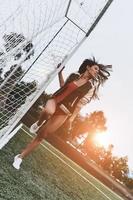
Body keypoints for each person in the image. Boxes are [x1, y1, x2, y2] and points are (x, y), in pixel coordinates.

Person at [13, 58, 112, 169]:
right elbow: (62, 86)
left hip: (65, 112)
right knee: (48, 111)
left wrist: (71, 118)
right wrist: (60, 72)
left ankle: (20, 157)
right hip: (55, 100)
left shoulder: (90, 88)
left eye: (98, 71)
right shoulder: (74, 75)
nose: (96, 72)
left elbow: (80, 105)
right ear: (88, 67)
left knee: (42, 135)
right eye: (95, 69)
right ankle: (39, 123)